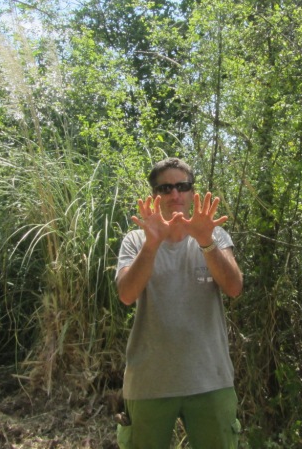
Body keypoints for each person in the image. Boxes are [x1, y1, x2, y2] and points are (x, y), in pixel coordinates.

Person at [115, 157, 244, 449]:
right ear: (154, 196)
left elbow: (234, 288)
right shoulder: (136, 240)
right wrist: (152, 243)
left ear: (192, 192)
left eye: (182, 186)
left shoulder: (215, 236)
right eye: (166, 188)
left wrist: (205, 241)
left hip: (210, 379)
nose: (175, 195)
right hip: (148, 383)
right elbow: (126, 294)